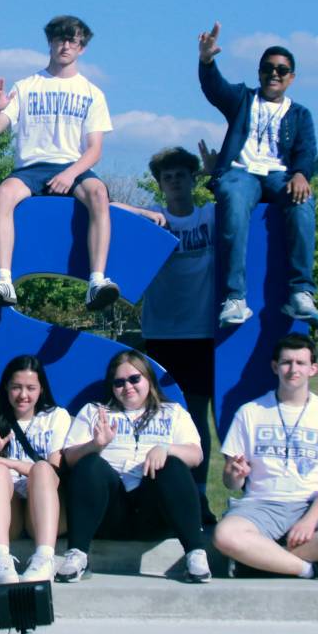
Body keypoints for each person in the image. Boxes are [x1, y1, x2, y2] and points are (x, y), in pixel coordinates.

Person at [0, 15, 117, 311]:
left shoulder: (93, 93)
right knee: (3, 193)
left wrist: (70, 174)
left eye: (73, 40)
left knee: (99, 194)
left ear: (83, 47)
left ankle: (97, 281)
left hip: (73, 168)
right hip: (30, 168)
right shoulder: (26, 86)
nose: (65, 45)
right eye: (60, 39)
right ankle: (4, 279)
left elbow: (95, 150)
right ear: (50, 43)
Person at [212, 335, 318, 580]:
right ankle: (309, 569)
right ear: (275, 367)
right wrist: (234, 475)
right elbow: (231, 484)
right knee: (225, 535)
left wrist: (309, 521)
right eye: (286, 362)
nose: (293, 369)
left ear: (313, 369)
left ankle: (260, 561)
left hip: (311, 504)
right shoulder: (250, 412)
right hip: (261, 504)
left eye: (300, 363)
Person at [195, 23, 318, 326]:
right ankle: (235, 297)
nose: (273, 74)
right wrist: (207, 61)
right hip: (241, 173)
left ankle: (301, 292)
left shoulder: (300, 114)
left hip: (279, 174)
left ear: (291, 77)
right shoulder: (242, 99)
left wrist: (301, 174)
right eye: (267, 68)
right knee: (233, 202)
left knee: (302, 202)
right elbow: (215, 89)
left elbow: (306, 150)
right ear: (259, 72)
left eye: (281, 69)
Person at [58, 350, 211, 583]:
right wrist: (95, 445)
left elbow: (196, 454)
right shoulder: (95, 412)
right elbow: (69, 457)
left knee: (171, 465)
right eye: (119, 382)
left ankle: (195, 553)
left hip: (155, 509)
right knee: (89, 464)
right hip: (110, 510)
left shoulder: (173, 413)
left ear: (148, 379)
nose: (127, 387)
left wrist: (166, 448)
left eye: (134, 379)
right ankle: (78, 555)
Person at [120, 146, 217, 497]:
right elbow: (108, 208)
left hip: (204, 332)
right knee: (165, 417)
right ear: (160, 184)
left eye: (181, 175)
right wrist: (142, 213)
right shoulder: (155, 219)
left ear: (194, 180)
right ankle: (167, 493)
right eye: (167, 177)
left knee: (199, 416)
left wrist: (216, 174)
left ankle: (200, 492)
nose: (175, 182)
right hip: (163, 332)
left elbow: (242, 209)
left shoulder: (209, 216)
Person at [0, 355, 73, 584]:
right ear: (6, 388)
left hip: (45, 512)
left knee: (43, 469)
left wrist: (11, 463)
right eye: (16, 387)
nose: (23, 395)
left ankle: (45, 558)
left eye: (30, 388)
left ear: (41, 389)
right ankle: (0, 559)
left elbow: (55, 472)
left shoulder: (57, 417)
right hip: (5, 516)